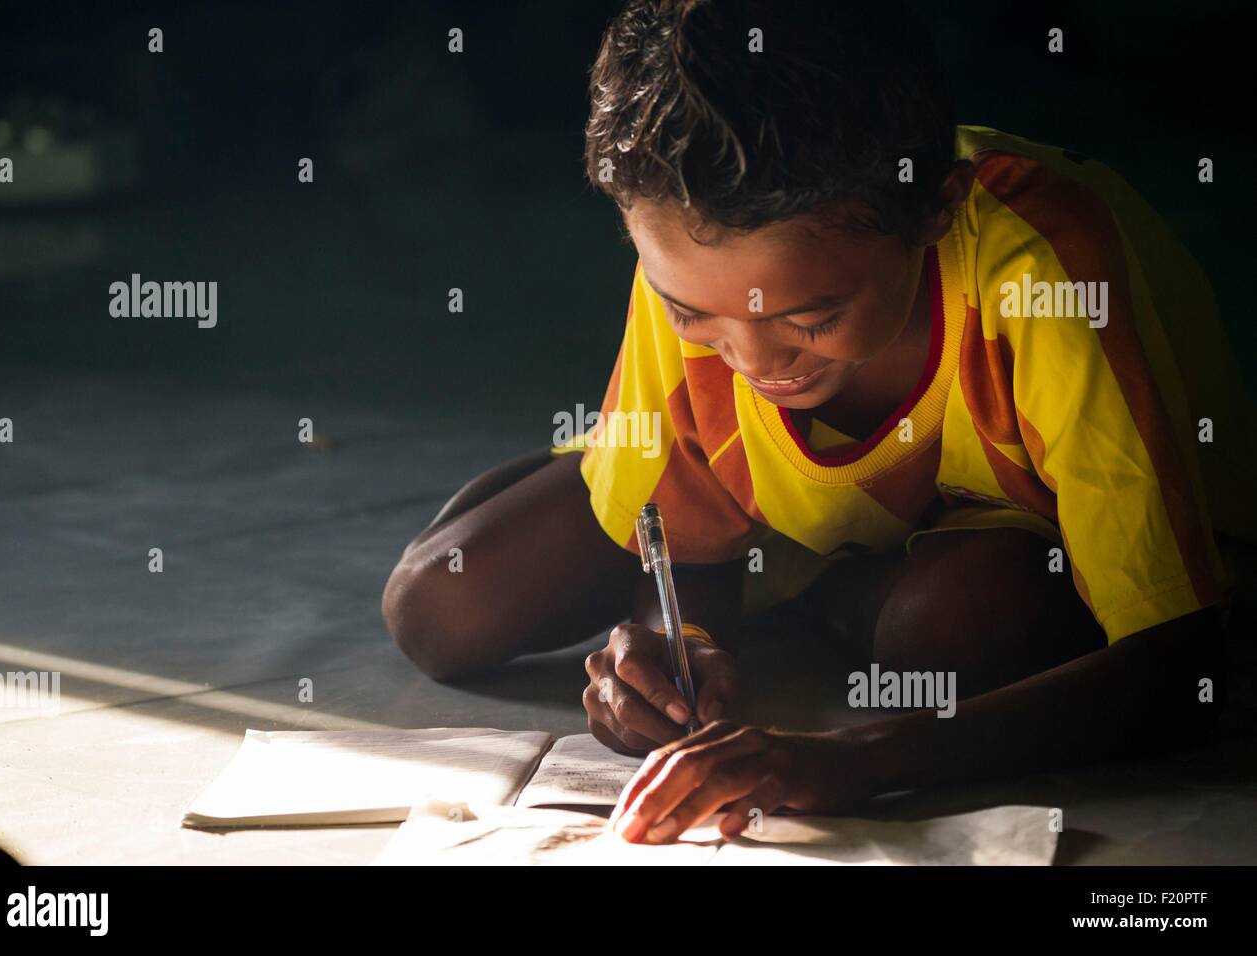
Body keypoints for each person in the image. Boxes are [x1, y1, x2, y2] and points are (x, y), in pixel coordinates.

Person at [383, 0, 1256, 845]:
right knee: (437, 606)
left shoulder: (1044, 267)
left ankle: (825, 575)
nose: (756, 364)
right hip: (789, 511)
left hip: (1004, 531)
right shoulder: (700, 252)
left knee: (949, 637)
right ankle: (675, 479)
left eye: (809, 319)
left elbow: (1182, 664)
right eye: (694, 317)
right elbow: (676, 558)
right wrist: (677, 640)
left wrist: (854, 762)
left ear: (936, 209)